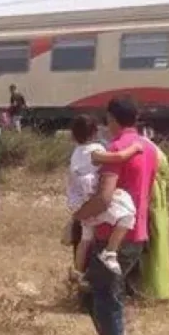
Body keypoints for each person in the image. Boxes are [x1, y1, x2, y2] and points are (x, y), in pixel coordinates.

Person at [73, 96, 157, 335]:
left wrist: (78, 216)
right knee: (105, 301)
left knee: (105, 305)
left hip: (112, 237)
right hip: (137, 233)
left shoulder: (116, 149)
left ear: (111, 119)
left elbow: (105, 197)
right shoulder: (148, 147)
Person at [65, 115, 142, 281]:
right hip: (91, 202)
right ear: (94, 133)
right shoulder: (93, 151)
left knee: (85, 240)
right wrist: (135, 148)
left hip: (79, 203)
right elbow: (119, 157)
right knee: (127, 214)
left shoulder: (76, 152)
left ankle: (78, 272)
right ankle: (111, 252)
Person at [140, 136, 169, 302]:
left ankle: (150, 289)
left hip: (148, 198)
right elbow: (167, 172)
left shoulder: (139, 146)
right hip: (160, 202)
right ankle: (161, 290)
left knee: (148, 250)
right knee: (160, 247)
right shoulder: (154, 148)